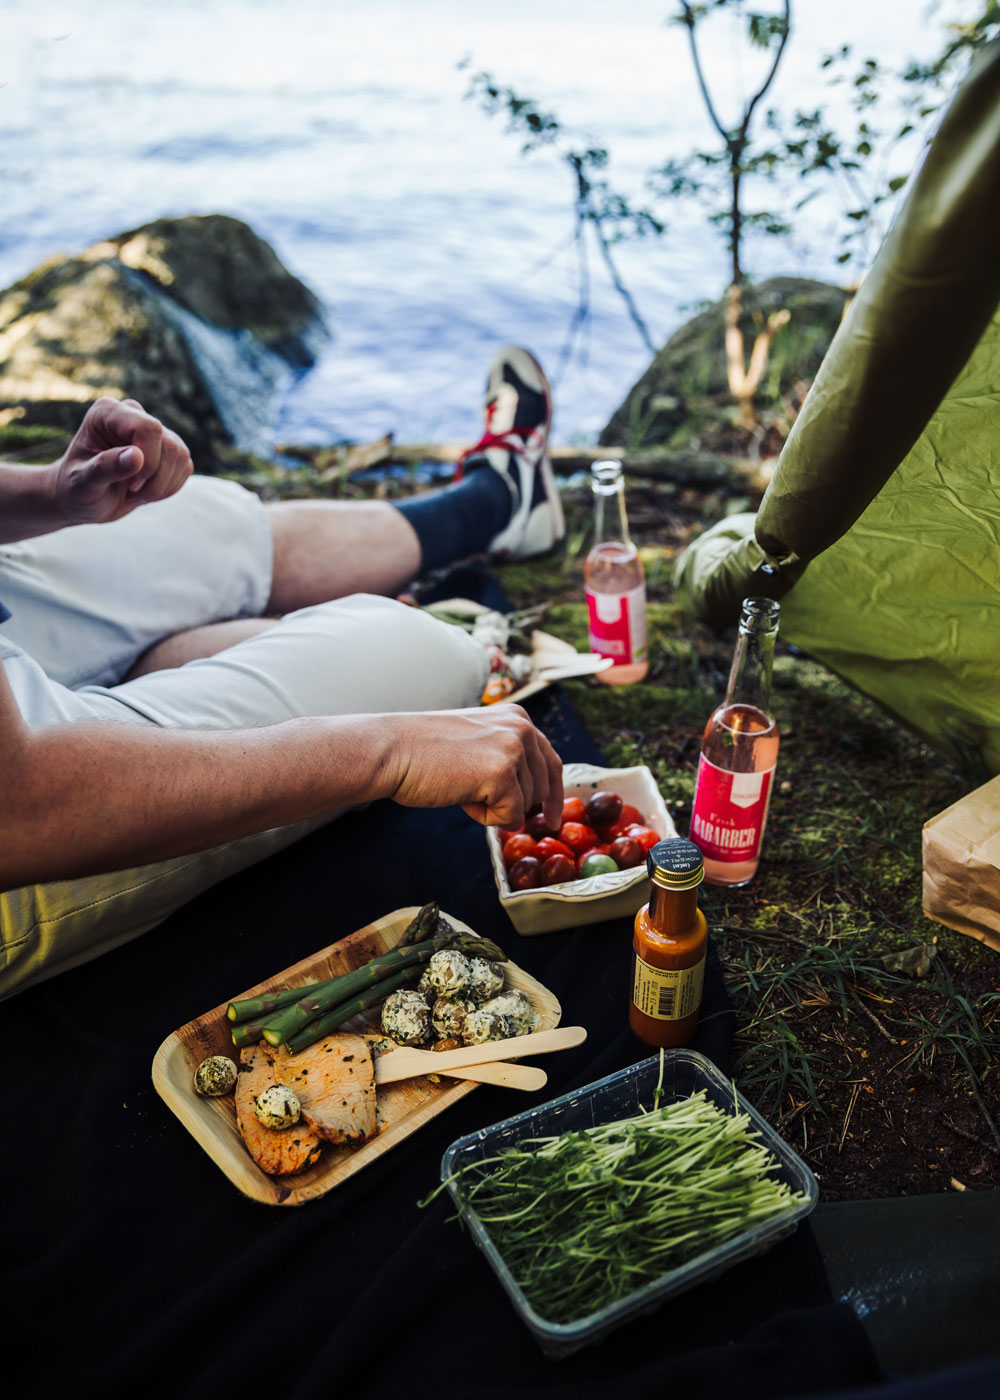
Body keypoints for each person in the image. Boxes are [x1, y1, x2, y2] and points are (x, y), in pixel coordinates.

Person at [0, 345, 566, 999]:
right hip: (26, 808)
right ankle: (170, 674)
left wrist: (52, 495)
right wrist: (390, 751)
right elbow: (22, 804)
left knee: (196, 521)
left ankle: (502, 501)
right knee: (417, 651)